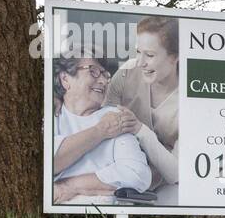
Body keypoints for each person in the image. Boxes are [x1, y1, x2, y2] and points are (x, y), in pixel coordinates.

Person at [52, 54, 151, 203]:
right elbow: (50, 163)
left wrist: (68, 186)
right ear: (65, 79)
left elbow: (138, 174)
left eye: (105, 75)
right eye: (93, 72)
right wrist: (101, 131)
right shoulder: (52, 115)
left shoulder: (115, 117)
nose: (104, 81)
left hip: (102, 217)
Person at [106, 15, 180, 188]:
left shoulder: (189, 99)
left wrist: (139, 129)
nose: (140, 62)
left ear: (174, 57)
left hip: (164, 190)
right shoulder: (127, 73)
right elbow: (99, 116)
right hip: (118, 178)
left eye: (150, 55)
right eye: (138, 52)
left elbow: (176, 173)